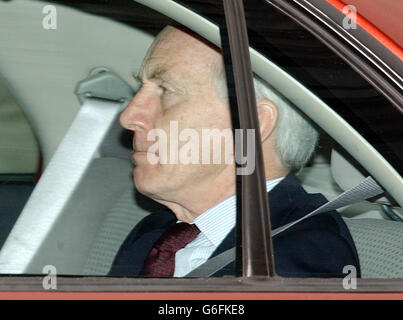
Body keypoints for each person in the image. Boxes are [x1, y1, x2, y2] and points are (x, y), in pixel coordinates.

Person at [109, 25, 360, 278]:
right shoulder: (154, 235)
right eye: (141, 88)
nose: (129, 117)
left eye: (166, 90)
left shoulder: (297, 258)